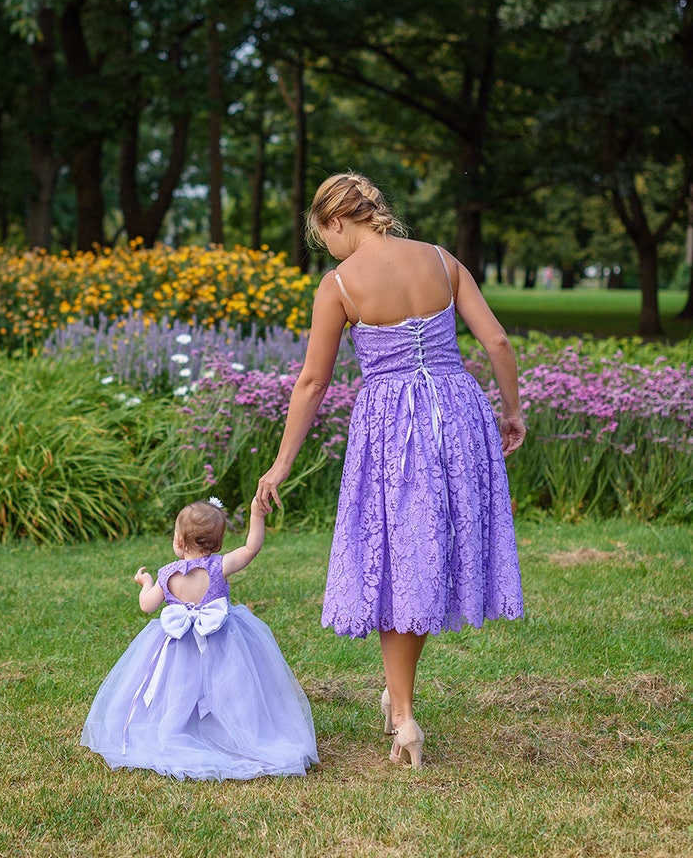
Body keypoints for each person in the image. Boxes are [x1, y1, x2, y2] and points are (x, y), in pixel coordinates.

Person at [255, 172, 525, 770]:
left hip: (394, 431)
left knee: (402, 564)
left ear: (337, 221)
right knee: (423, 561)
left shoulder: (340, 284)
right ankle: (397, 698)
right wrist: (510, 411)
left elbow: (313, 382)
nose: (327, 246)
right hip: (457, 416)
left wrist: (279, 465)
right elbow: (498, 342)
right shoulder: (441, 260)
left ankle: (403, 717)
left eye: (323, 234)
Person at [81, 498, 318, 780]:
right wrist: (256, 514)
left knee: (178, 691)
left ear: (179, 541)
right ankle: (234, 731)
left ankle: (178, 729)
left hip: (179, 649)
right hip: (224, 645)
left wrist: (146, 584)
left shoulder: (166, 574)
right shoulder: (220, 566)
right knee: (231, 689)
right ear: (217, 544)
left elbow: (147, 606)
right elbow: (251, 548)